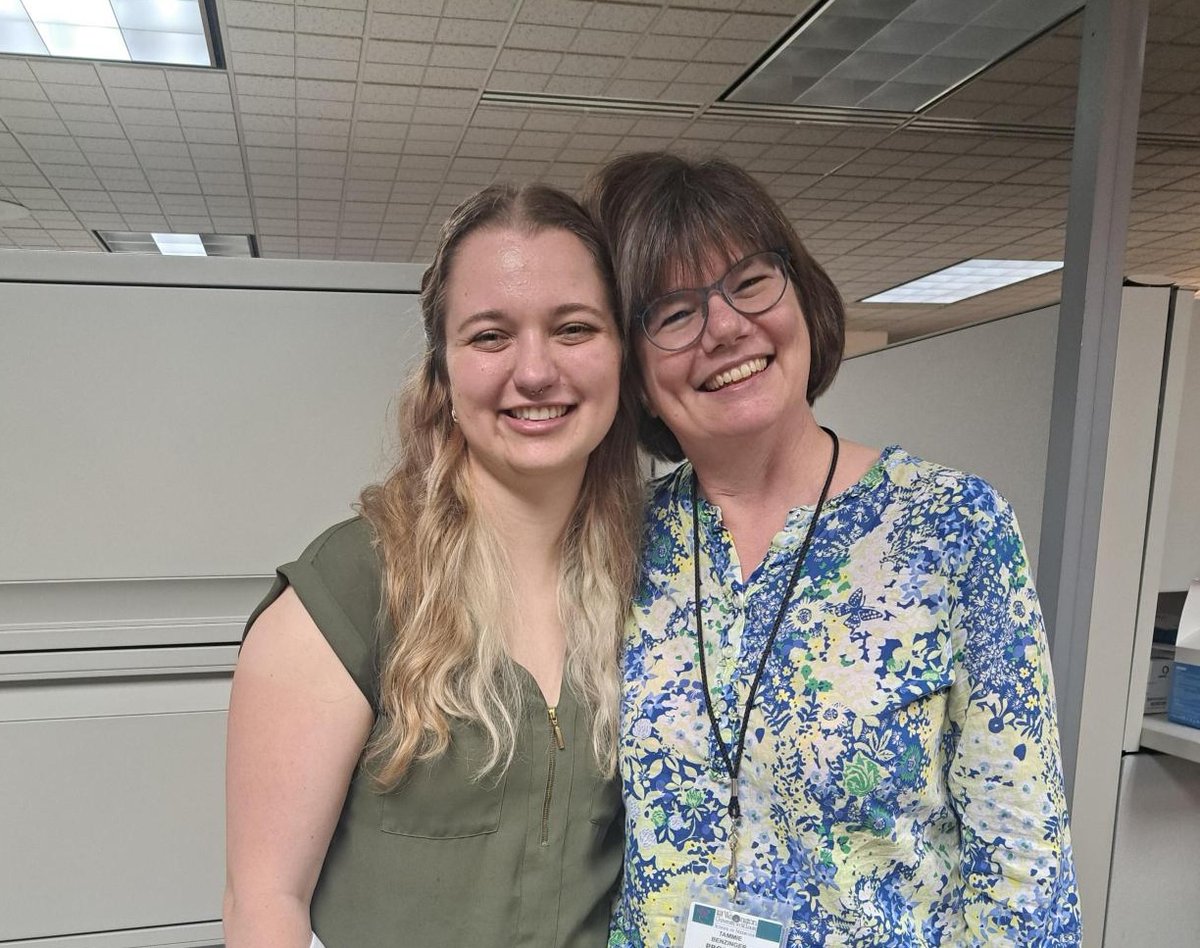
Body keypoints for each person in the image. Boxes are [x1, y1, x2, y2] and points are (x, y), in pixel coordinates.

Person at [584, 153, 1080, 947]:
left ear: (802, 296)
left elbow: (1025, 870)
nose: (723, 327)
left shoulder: (950, 526)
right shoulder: (619, 542)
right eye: (672, 313)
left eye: (749, 281)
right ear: (635, 374)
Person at [223, 183, 643, 948]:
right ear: (443, 373)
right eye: (490, 337)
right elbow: (264, 904)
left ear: (620, 355)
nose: (537, 370)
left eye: (574, 328)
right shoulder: (354, 590)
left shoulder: (655, 575)